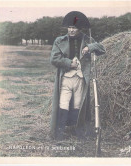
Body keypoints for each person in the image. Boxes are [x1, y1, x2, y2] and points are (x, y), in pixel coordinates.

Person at [49, 11, 106, 140]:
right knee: (63, 103)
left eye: (74, 28)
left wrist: (90, 47)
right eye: (69, 27)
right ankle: (59, 132)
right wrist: (69, 63)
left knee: (78, 105)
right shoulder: (60, 41)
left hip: (81, 79)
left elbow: (102, 49)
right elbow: (54, 59)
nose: (71, 30)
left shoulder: (87, 39)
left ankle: (77, 131)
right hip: (65, 79)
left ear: (79, 29)